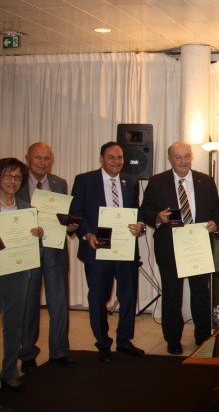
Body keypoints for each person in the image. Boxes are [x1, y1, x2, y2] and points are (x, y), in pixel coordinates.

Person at [140, 141, 219, 355]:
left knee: (201, 293)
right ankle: (173, 339)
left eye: (186, 156)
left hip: (198, 245)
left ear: (191, 157)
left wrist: (215, 222)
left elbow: (217, 209)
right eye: (178, 157)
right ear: (170, 159)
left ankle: (202, 336)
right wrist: (158, 217)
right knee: (172, 294)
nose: (183, 161)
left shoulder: (206, 180)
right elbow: (145, 211)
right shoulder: (157, 182)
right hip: (169, 247)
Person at [69, 142, 146, 363]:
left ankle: (124, 341)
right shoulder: (84, 180)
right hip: (97, 248)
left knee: (128, 296)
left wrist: (140, 224)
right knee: (98, 298)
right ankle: (102, 343)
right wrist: (87, 234)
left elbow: (136, 211)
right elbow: (76, 213)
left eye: (120, 157)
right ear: (101, 159)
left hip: (125, 248)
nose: (116, 161)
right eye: (111, 157)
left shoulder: (131, 182)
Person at [18, 143, 77, 373]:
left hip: (54, 251)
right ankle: (28, 354)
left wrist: (70, 226)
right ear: (27, 158)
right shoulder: (16, 182)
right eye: (38, 158)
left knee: (59, 304)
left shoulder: (60, 183)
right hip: (28, 251)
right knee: (28, 306)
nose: (43, 163)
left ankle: (59, 352)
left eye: (47, 158)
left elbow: (64, 217)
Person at [0, 158, 44, 392]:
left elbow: (31, 246)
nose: (12, 181)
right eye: (7, 175)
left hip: (17, 273)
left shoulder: (27, 208)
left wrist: (37, 234)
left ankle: (9, 372)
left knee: (14, 326)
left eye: (17, 177)